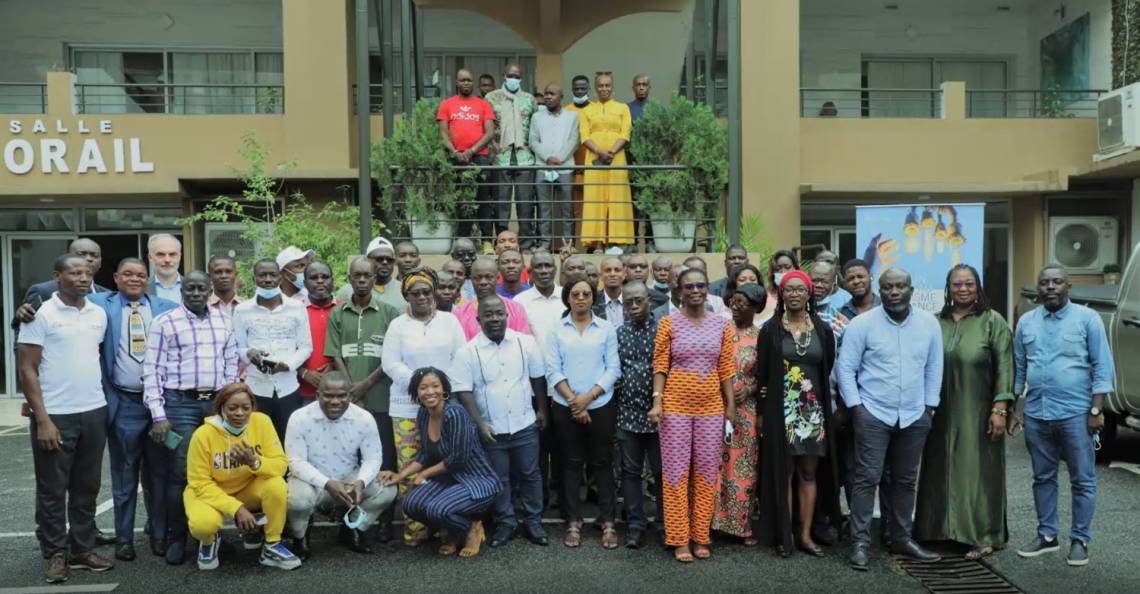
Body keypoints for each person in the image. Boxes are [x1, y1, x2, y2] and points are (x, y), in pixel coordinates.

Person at [837, 268, 944, 570]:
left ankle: (901, 538)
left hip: (914, 414)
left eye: (899, 286)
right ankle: (859, 543)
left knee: (905, 480)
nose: (893, 292)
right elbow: (846, 369)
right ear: (879, 290)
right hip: (873, 412)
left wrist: (929, 407)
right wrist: (856, 407)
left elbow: (934, 367)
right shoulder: (862, 324)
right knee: (866, 479)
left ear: (911, 289)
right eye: (887, 287)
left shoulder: (928, 324)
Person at [18, 254, 114, 583]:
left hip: (93, 410)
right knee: (52, 489)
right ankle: (55, 554)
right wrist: (41, 417)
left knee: (87, 487)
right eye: (74, 272)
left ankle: (82, 550)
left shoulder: (98, 313)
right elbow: (26, 368)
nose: (83, 277)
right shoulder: (39, 314)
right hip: (55, 414)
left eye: (87, 272)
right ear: (57, 276)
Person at [1013, 265, 1113, 567]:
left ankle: (1080, 540)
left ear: (1069, 286)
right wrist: (1016, 410)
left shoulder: (1087, 319)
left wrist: (1096, 410)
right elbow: (1019, 368)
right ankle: (1047, 536)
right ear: (1038, 289)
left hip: (1075, 413)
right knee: (1043, 477)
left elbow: (1103, 367)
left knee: (1082, 479)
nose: (1051, 287)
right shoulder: (1026, 323)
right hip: (1036, 413)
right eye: (1045, 283)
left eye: (1057, 282)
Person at [914, 264, 1013, 559]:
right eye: (957, 285)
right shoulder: (935, 322)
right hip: (939, 412)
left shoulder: (992, 321)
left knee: (977, 473)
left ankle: (984, 535)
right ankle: (935, 530)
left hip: (978, 409)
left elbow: (1006, 366)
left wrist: (1001, 409)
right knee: (937, 469)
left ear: (978, 287)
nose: (963, 289)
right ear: (948, 289)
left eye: (969, 284)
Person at [143, 270, 239, 565]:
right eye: (190, 289)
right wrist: (159, 415)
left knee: (219, 469)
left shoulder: (224, 320)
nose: (195, 293)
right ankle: (178, 536)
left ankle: (211, 533)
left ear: (210, 290)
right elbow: (151, 370)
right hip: (179, 405)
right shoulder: (164, 322)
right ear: (181, 290)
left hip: (215, 405)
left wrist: (228, 404)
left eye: (201, 288)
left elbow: (232, 363)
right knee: (180, 472)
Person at [86, 258, 179, 561]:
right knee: (125, 477)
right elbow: (61, 294)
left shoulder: (165, 307)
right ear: (115, 278)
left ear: (147, 278)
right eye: (127, 274)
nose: (135, 279)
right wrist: (25, 311)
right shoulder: (99, 303)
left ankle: (159, 534)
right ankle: (124, 539)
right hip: (124, 402)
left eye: (140, 274)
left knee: (159, 474)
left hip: (160, 406)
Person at [650, 267, 736, 562]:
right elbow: (660, 364)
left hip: (711, 406)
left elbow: (725, 367)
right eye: (689, 286)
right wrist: (658, 402)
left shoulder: (722, 325)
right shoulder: (667, 323)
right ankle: (678, 538)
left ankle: (701, 536)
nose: (696, 290)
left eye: (701, 285)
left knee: (706, 472)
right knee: (675, 473)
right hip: (674, 406)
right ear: (680, 290)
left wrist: (730, 406)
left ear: (707, 288)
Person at [755, 272, 842, 557]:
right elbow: (763, 374)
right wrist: (763, 412)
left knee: (808, 473)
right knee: (785, 473)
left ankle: (805, 535)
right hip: (782, 412)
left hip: (813, 413)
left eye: (799, 289)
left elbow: (826, 366)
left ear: (809, 294)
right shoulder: (770, 330)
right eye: (788, 290)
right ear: (781, 295)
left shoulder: (822, 329)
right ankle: (786, 536)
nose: (794, 294)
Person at [452, 295, 549, 547]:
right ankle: (506, 523)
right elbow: (464, 392)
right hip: (491, 428)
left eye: (499, 314)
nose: (494, 318)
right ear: (478, 319)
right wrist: (479, 424)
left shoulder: (525, 343)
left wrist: (542, 410)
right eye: (488, 315)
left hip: (524, 423)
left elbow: (538, 378)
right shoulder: (467, 352)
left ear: (507, 316)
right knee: (499, 478)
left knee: (531, 474)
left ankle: (533, 522)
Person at [381, 270, 467, 546]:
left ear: (434, 294)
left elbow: (460, 358)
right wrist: (421, 387)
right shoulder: (398, 325)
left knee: (444, 466)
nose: (421, 297)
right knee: (408, 467)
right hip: (406, 407)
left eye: (426, 292)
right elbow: (390, 364)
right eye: (415, 293)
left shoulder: (450, 321)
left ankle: (444, 526)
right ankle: (415, 529)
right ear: (406, 295)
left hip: (443, 407)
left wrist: (437, 391)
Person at [380, 368, 501, 558]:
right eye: (423, 388)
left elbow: (457, 459)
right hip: (448, 478)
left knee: (437, 509)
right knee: (411, 504)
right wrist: (399, 476)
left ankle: (471, 528)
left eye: (435, 386)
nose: (430, 392)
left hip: (476, 480)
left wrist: (424, 474)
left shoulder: (455, 413)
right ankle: (453, 532)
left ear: (444, 389)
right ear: (416, 392)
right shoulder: (423, 414)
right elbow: (424, 454)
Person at [183, 383, 298, 571]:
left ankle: (271, 544)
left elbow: (280, 465)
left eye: (246, 408)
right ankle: (210, 540)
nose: (239, 413)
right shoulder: (203, 435)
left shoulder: (261, 422)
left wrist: (254, 462)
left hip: (246, 488)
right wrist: (236, 509)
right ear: (221, 408)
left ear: (252, 407)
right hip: (209, 492)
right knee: (203, 525)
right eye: (232, 407)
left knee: (276, 485)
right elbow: (199, 483)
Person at [545, 274, 622, 549]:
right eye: (575, 294)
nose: (580, 298)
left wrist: (587, 398)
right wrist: (574, 402)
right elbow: (552, 369)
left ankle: (608, 521)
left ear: (593, 297)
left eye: (586, 294)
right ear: (567, 298)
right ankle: (573, 521)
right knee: (571, 463)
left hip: (600, 404)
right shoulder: (556, 330)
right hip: (565, 407)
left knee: (602, 463)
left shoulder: (605, 329)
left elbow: (613, 368)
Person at [285, 372, 398, 558]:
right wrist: (327, 483)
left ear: (350, 396)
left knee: (387, 490)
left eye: (341, 396)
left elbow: (373, 458)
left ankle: (352, 528)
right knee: (297, 500)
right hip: (311, 481)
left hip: (349, 480)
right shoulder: (299, 417)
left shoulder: (364, 418)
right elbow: (295, 462)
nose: (335, 401)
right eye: (328, 395)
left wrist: (361, 481)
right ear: (317, 395)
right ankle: (300, 536)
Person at [325, 258, 404, 522]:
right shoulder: (337, 313)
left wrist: (366, 384)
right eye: (356, 276)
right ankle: (348, 516)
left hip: (380, 397)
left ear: (374, 280)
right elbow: (335, 354)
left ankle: (382, 520)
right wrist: (350, 391)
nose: (361, 280)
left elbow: (391, 357)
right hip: (348, 402)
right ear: (349, 279)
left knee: (383, 458)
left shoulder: (390, 312)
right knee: (351, 461)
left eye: (366, 276)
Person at [233, 259, 312, 442]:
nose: (267, 279)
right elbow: (238, 347)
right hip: (256, 389)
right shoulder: (242, 310)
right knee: (256, 441)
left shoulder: (297, 308)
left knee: (288, 441)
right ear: (254, 279)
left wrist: (288, 365)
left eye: (272, 275)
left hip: (288, 387)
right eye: (262, 275)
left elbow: (306, 347)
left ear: (281, 277)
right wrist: (249, 354)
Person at [712, 282, 766, 546]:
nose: (735, 306)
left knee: (742, 467)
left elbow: (767, 376)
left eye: (742, 303)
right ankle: (710, 522)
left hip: (746, 411)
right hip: (713, 406)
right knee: (712, 466)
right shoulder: (719, 331)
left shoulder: (762, 337)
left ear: (755, 307)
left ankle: (739, 526)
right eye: (733, 301)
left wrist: (752, 388)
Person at [614, 281, 663, 548]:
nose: (633, 306)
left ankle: (666, 524)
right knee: (630, 473)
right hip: (628, 414)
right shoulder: (619, 333)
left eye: (638, 301)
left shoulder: (664, 330)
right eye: (628, 302)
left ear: (649, 301)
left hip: (661, 415)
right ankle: (635, 524)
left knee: (662, 472)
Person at [437, 69, 496, 247]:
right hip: (455, 159)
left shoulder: (483, 104)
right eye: (462, 80)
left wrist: (471, 150)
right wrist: (454, 152)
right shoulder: (447, 104)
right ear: (456, 82)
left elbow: (490, 132)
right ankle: (463, 241)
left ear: (473, 83)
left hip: (480, 158)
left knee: (483, 199)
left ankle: (486, 241)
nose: (466, 83)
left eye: (469, 80)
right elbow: (443, 132)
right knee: (462, 201)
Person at [579, 72, 634, 252]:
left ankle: (617, 242)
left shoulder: (622, 108)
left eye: (607, 85)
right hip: (594, 158)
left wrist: (611, 152)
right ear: (595, 89)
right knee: (595, 199)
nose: (604, 89)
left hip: (616, 158)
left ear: (613, 88)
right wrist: (599, 152)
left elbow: (625, 133)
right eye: (601, 86)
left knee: (617, 197)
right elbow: (584, 135)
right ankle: (597, 243)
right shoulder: (587, 110)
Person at [485, 63, 538, 249]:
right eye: (510, 75)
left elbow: (535, 126)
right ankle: (501, 240)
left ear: (521, 78)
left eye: (517, 76)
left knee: (525, 202)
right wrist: (492, 147)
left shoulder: (529, 99)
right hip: (501, 157)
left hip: (525, 157)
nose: (513, 79)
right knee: (502, 202)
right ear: (504, 75)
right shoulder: (491, 98)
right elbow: (486, 127)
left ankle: (526, 242)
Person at [531, 83, 581, 251]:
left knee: (566, 209)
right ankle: (544, 245)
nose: (548, 97)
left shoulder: (572, 116)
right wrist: (547, 158)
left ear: (561, 97)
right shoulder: (537, 117)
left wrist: (559, 158)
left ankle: (568, 244)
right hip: (542, 167)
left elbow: (574, 140)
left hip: (565, 167)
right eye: (546, 94)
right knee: (544, 210)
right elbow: (533, 140)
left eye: (552, 94)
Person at [452, 257, 532, 340]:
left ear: (497, 278)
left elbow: (523, 343)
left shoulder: (516, 309)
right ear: (471, 279)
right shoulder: (459, 313)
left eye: (488, 277)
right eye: (478, 278)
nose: (483, 282)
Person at [298, 262, 338, 400]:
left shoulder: (344, 309)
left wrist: (334, 366)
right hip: (301, 392)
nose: (320, 281)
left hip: (338, 393)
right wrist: (303, 373)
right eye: (314, 277)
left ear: (332, 280)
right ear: (305, 283)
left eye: (325, 277)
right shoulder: (295, 311)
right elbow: (284, 349)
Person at [335, 237, 407, 309]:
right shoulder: (347, 291)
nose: (385, 262)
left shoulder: (404, 290)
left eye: (389, 260)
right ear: (367, 260)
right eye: (379, 259)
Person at [516, 252, 564, 345]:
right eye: (538, 266)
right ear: (530, 273)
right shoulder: (520, 301)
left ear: (555, 270)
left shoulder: (568, 296)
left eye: (548, 266)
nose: (544, 271)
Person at [565, 74, 592, 229]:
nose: (580, 91)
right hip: (572, 166)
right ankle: (572, 243)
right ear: (572, 90)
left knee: (593, 206)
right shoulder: (566, 110)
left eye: (583, 88)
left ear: (588, 89)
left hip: (592, 165)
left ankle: (593, 244)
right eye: (576, 89)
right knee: (573, 207)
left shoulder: (595, 109)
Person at [810, 261, 850, 340]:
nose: (819, 285)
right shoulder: (791, 314)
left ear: (833, 287)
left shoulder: (839, 322)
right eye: (814, 280)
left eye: (825, 282)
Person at [760, 250, 798, 322]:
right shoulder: (764, 295)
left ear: (795, 268)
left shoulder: (803, 293)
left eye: (787, 267)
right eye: (778, 269)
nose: (783, 272)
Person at [147, 234, 184, 304]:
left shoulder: (194, 287)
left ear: (180, 256)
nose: (167, 260)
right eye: (161, 254)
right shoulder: (141, 290)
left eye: (172, 254)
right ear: (150, 258)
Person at [598, 256, 627, 326]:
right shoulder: (592, 301)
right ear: (600, 276)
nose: (612, 274)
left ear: (624, 275)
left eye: (617, 270)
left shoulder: (632, 300)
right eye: (608, 270)